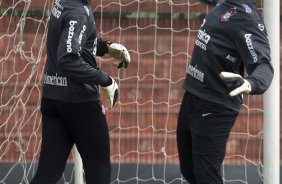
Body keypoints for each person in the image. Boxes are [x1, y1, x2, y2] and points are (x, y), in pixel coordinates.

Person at [30, 0, 130, 183]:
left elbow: (73, 41)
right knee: (99, 170)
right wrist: (105, 80)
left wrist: (106, 47)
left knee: (47, 173)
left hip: (53, 99)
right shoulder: (79, 13)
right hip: (80, 103)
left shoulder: (63, 3)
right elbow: (68, 58)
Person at [176, 0, 273, 183]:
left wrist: (251, 83)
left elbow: (264, 65)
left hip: (216, 105)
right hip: (192, 95)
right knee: (189, 171)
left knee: (206, 175)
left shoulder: (248, 19)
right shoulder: (225, 2)